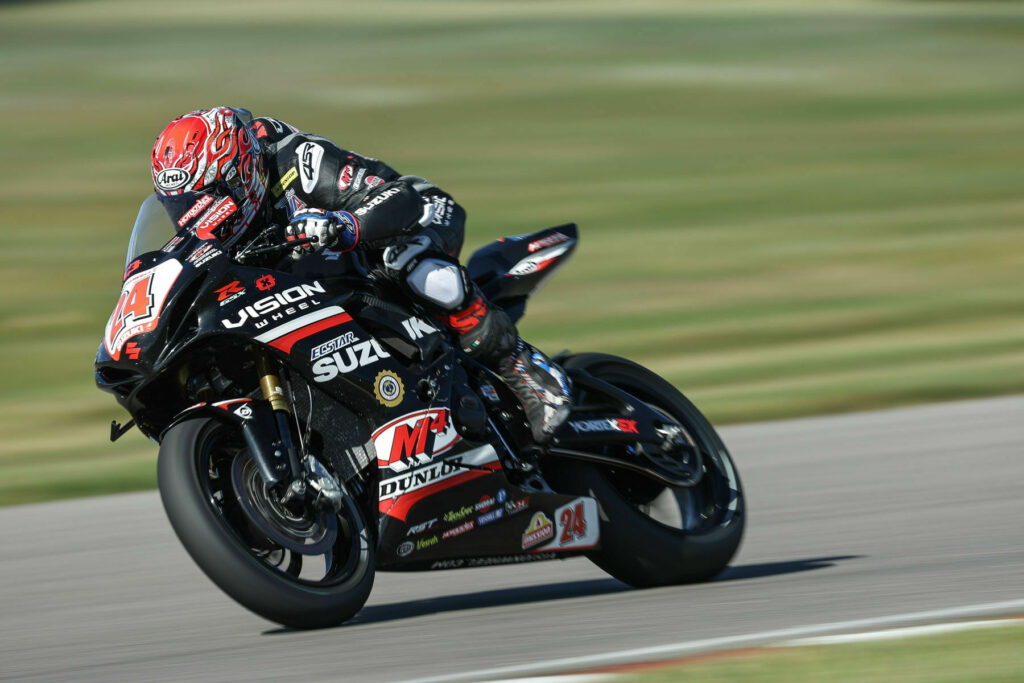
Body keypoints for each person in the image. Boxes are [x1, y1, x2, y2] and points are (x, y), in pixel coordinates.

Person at [150, 106, 570, 443]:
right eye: (178, 204)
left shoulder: (294, 159)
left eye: (205, 197)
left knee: (410, 264)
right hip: (330, 276)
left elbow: (397, 199)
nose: (194, 215)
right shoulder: (213, 228)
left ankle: (525, 370)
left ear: (240, 172)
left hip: (407, 214)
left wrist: (343, 226)